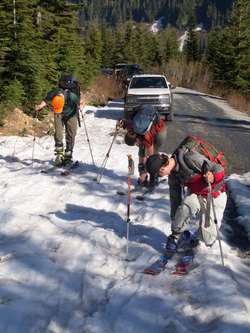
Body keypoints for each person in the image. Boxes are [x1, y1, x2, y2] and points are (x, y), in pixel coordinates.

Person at [145, 147, 227, 252]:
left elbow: (219, 168)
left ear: (162, 169)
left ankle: (202, 233)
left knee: (206, 240)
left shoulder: (189, 159)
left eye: (158, 175)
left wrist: (213, 176)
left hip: (215, 194)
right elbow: (175, 200)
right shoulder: (173, 176)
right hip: (197, 195)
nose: (159, 177)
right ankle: (176, 237)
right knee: (185, 207)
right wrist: (175, 228)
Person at [35, 84, 85, 167]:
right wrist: (40, 106)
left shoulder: (72, 96)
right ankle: (59, 154)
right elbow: (46, 100)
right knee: (58, 133)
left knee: (71, 134)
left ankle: (68, 156)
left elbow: (82, 101)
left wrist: (82, 106)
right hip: (59, 114)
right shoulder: (54, 93)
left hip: (71, 115)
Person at [118, 113, 167, 189]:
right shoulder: (130, 130)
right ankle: (143, 179)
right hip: (144, 131)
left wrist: (144, 173)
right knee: (142, 152)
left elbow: (151, 159)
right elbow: (127, 122)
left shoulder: (146, 137)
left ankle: (155, 177)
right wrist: (120, 124)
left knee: (155, 156)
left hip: (159, 131)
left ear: (136, 139)